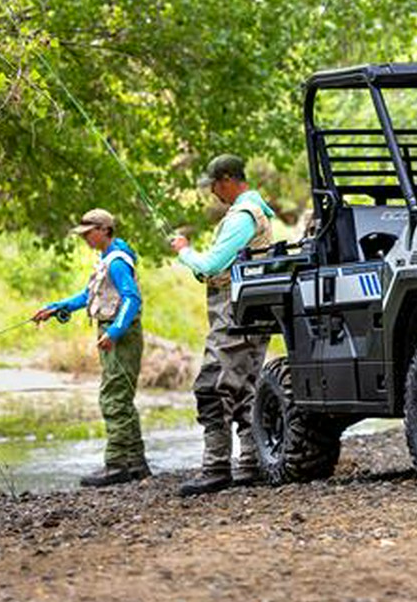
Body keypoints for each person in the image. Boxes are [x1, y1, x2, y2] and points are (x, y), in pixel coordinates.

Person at [170, 153, 275, 496]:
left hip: (234, 311)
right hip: (251, 309)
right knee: (246, 386)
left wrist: (184, 251)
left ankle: (215, 467)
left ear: (227, 179)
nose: (213, 192)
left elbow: (212, 263)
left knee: (212, 385)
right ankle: (250, 462)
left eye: (214, 185)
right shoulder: (255, 211)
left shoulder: (243, 216)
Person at [34, 208, 149, 487]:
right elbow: (89, 295)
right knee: (119, 396)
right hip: (113, 334)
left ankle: (117, 465)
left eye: (89, 233)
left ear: (104, 231)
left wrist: (114, 331)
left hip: (120, 336)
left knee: (113, 397)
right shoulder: (106, 258)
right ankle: (136, 464)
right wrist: (57, 308)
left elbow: (131, 299)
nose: (85, 238)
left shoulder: (118, 262)